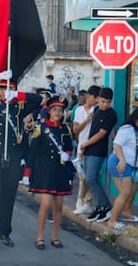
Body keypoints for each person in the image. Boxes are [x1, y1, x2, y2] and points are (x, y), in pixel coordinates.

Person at [0, 74, 43, 247]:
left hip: (13, 155)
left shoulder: (19, 108)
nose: (5, 92)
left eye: (9, 88)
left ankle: (6, 231)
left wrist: (17, 96)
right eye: (3, 88)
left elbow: (38, 99)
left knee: (9, 195)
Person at [22, 97, 75, 249]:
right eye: (55, 110)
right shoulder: (41, 128)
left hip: (60, 170)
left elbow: (68, 146)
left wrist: (67, 153)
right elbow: (33, 152)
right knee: (45, 204)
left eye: (60, 110)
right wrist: (27, 172)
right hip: (44, 170)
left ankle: (55, 236)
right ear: (49, 111)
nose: (58, 113)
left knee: (58, 206)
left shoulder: (65, 129)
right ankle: (39, 237)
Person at [105, 108, 138, 229]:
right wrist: (122, 160)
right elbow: (116, 144)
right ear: (136, 118)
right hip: (120, 163)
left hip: (133, 165)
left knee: (134, 189)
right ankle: (112, 221)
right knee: (125, 192)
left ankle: (126, 212)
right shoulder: (127, 129)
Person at [78, 87, 118, 223]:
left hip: (98, 151)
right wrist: (84, 148)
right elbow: (92, 131)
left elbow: (101, 134)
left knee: (91, 178)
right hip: (89, 149)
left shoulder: (112, 114)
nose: (105, 104)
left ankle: (106, 206)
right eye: (102, 101)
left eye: (108, 102)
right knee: (89, 179)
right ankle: (99, 207)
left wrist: (84, 145)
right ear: (98, 99)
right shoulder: (95, 110)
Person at [71, 85, 100, 214]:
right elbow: (75, 130)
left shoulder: (98, 110)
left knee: (89, 176)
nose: (97, 101)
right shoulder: (78, 110)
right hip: (81, 146)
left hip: (93, 147)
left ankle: (85, 201)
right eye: (96, 98)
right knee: (82, 176)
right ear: (89, 96)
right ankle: (82, 200)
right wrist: (87, 120)